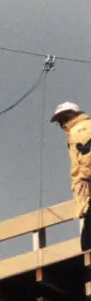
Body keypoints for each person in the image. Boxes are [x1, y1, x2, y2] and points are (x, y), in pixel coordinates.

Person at [50, 101, 91, 251]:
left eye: (63, 118)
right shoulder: (79, 129)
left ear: (73, 114)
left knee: (87, 243)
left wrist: (85, 176)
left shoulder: (81, 129)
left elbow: (88, 153)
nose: (62, 123)